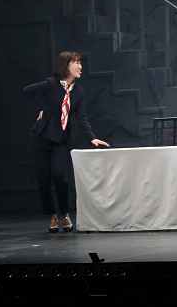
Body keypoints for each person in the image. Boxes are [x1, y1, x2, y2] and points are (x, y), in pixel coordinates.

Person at [23, 52, 110, 233]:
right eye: (76, 63)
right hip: (42, 136)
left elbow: (82, 117)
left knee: (59, 176)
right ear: (66, 66)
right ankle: (51, 215)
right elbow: (28, 91)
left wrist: (91, 137)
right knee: (44, 179)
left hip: (60, 140)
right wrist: (40, 109)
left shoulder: (78, 92)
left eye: (80, 63)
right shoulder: (51, 84)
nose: (80, 67)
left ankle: (64, 213)